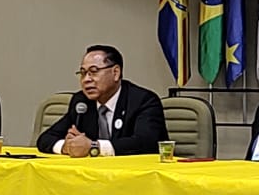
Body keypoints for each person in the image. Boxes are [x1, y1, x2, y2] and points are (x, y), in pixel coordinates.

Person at [36, 45, 166, 157]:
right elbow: (45, 139)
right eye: (83, 73)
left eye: (94, 71)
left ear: (115, 73)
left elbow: (147, 143)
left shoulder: (143, 100)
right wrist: (67, 147)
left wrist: (94, 147)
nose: (86, 79)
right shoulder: (81, 102)